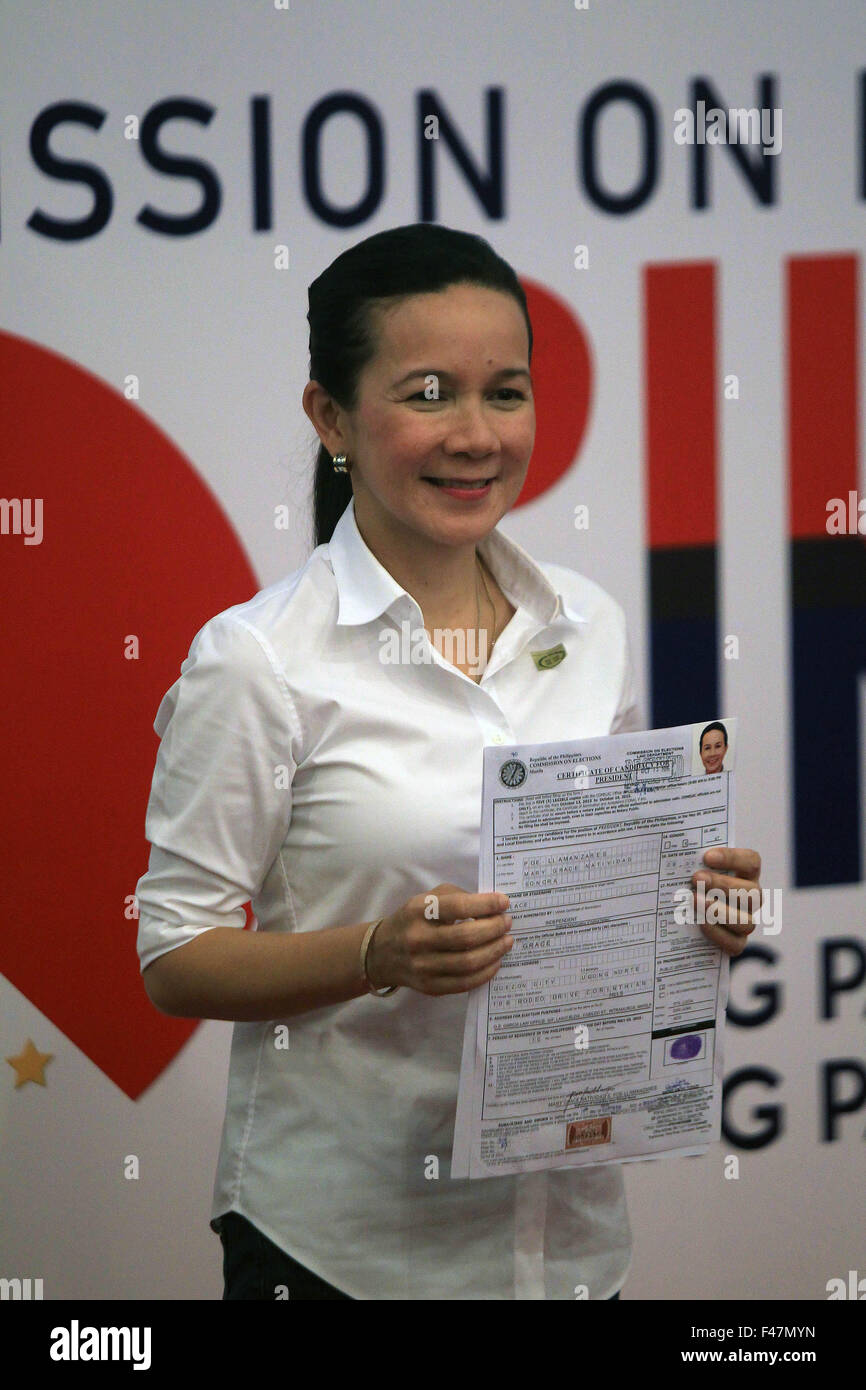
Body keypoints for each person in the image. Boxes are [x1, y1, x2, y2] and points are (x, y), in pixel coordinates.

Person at [135, 223, 762, 1300]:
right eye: (426, 392)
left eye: (504, 392)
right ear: (330, 417)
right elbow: (173, 954)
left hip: (564, 1247)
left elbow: (604, 905)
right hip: (343, 1254)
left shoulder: (590, 622)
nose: (475, 434)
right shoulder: (257, 659)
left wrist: (688, 915)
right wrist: (376, 951)